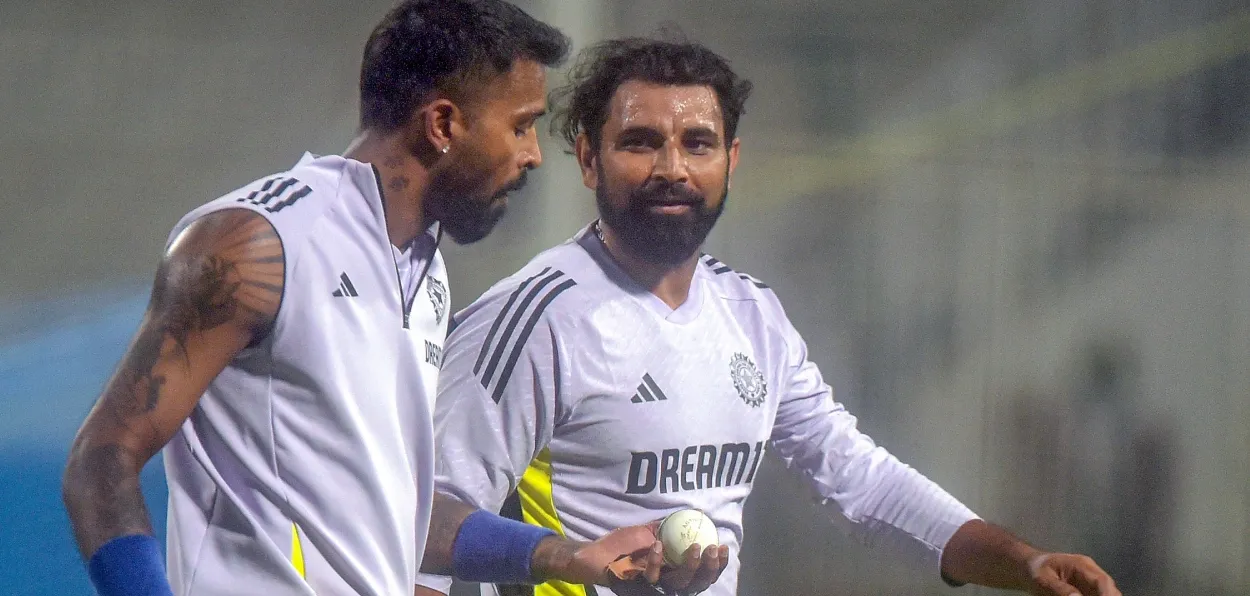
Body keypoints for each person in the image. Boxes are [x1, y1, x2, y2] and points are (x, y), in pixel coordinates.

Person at [415, 38, 1122, 596]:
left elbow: (859, 479)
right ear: (588, 160)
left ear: (732, 159)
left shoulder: (751, 314)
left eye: (698, 143)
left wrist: (1022, 563)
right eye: (640, 142)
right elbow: (426, 529)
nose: (673, 168)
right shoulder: (533, 319)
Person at [60, 3, 675, 595]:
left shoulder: (422, 270)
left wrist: (568, 557)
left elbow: (397, 517)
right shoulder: (255, 245)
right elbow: (100, 463)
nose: (533, 154)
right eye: (519, 125)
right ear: (442, 125)